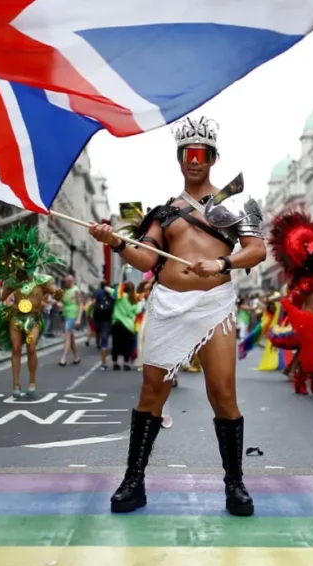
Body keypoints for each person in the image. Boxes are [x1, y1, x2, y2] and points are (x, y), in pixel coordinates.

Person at [88, 115, 266, 516]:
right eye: (188, 153)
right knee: (152, 394)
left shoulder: (236, 202)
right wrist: (115, 242)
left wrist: (222, 263)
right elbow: (146, 259)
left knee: (222, 394)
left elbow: (256, 251)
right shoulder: (163, 212)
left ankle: (235, 483)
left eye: (202, 153)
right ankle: (133, 481)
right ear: (180, 157)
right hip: (168, 305)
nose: (195, 160)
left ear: (213, 158)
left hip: (214, 306)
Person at [266, 209, 313, 395]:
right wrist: (291, 310)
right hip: (308, 322)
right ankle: (302, 381)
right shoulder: (306, 283)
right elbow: (291, 299)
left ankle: (312, 382)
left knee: (312, 353)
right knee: (310, 351)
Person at [0, 224, 63, 399]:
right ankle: (16, 384)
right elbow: (3, 297)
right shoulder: (13, 282)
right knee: (16, 349)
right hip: (16, 319)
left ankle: (32, 382)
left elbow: (55, 292)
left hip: (34, 318)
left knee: (32, 348)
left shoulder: (43, 280)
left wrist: (58, 293)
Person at [110, 281, 140, 371]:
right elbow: (137, 311)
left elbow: (108, 290)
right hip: (128, 325)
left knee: (115, 344)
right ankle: (126, 363)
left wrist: (120, 286)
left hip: (117, 323)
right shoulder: (134, 299)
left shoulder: (119, 296)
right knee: (127, 345)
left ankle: (115, 363)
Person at [58, 275, 81, 366]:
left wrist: (78, 319)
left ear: (70, 281)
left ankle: (63, 358)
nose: (65, 283)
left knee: (67, 337)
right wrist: (59, 304)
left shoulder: (76, 290)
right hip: (65, 314)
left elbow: (80, 305)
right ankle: (76, 357)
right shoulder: (65, 291)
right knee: (71, 338)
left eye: (66, 281)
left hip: (72, 315)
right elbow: (62, 303)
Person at [92, 282, 115, 371]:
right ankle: (103, 363)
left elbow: (93, 303)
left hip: (98, 318)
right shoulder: (111, 293)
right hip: (107, 319)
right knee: (105, 342)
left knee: (98, 332)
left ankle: (98, 342)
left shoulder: (98, 292)